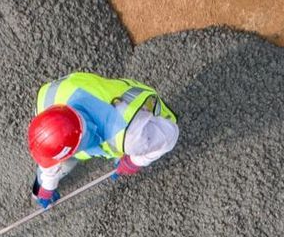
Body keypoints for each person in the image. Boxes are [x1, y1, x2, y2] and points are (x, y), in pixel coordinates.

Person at [26, 71, 177, 208]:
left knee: (141, 142)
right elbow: (52, 144)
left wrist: (135, 161)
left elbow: (170, 135)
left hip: (141, 109)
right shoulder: (46, 99)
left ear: (77, 147)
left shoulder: (130, 136)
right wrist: (47, 184)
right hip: (106, 100)